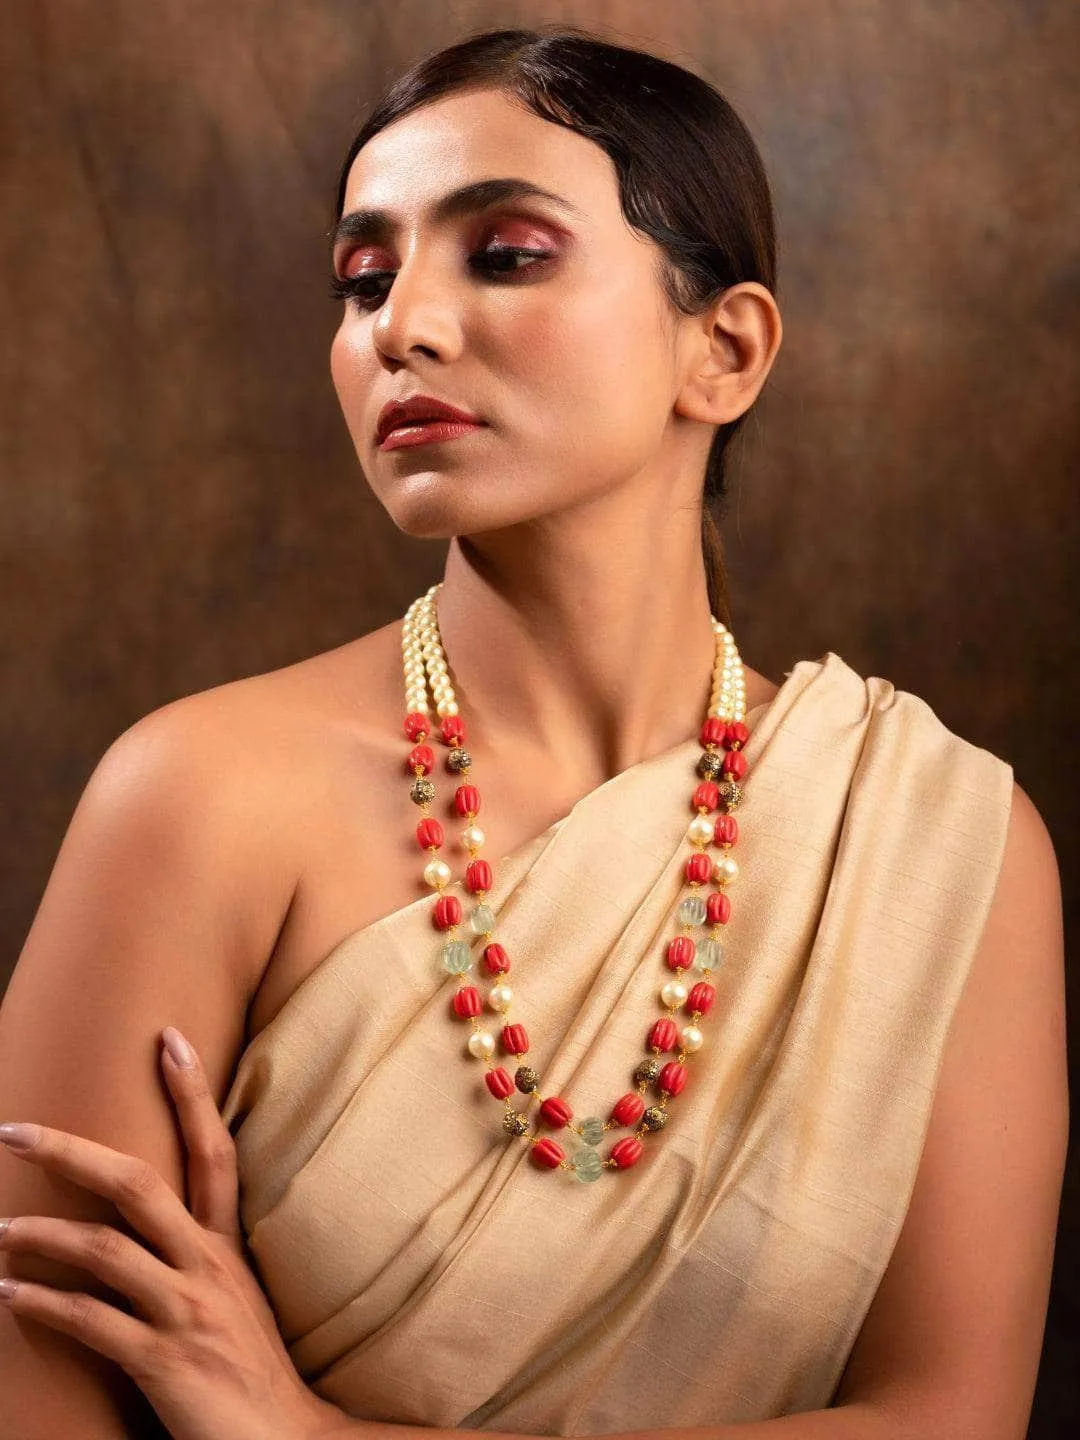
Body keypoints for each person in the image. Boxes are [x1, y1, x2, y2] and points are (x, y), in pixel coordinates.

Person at [0, 23, 1066, 1440]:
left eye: (504, 255)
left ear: (725, 349)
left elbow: (953, 1417)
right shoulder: (198, 801)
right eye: (363, 278)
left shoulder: (941, 843)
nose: (401, 326)